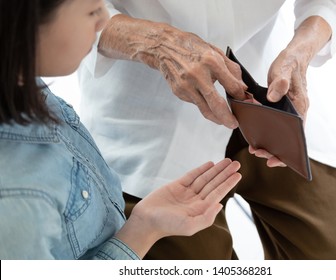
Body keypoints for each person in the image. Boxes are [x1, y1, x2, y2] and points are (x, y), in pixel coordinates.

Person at [78, 0, 336, 259]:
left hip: (268, 96)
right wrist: (159, 44)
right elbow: (54, 11)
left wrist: (300, 52)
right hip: (149, 124)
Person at [0, 0, 243, 260]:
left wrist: (144, 226)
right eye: (93, 10)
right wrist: (143, 232)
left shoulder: (26, 91)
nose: (105, 20)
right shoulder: (16, 200)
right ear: (26, 23)